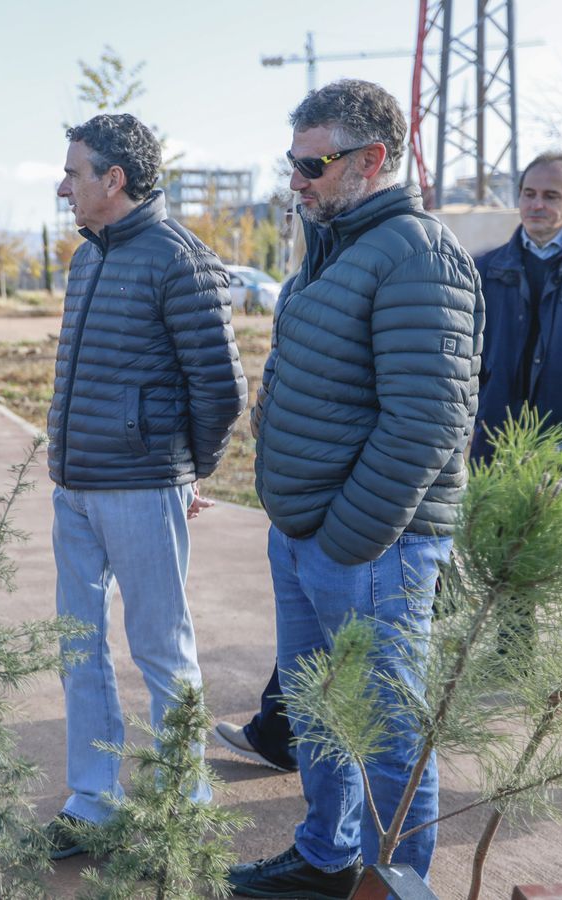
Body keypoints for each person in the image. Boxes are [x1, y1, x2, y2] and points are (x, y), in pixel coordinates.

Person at [229, 79, 483, 899]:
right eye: (291, 163)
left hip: (371, 547)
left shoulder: (415, 253)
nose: (295, 181)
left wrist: (345, 538)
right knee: (319, 716)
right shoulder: (332, 249)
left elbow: (424, 421)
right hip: (308, 537)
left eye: (312, 164)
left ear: (371, 160)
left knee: (384, 734)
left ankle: (395, 883)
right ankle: (327, 858)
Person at [42, 113, 247, 859]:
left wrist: (187, 469)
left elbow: (222, 390)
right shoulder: (84, 259)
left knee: (161, 647)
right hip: (75, 485)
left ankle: (184, 805)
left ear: (113, 179)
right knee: (78, 646)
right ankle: (93, 798)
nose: (62, 185)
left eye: (74, 172)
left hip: (139, 486)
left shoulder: (179, 259)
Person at [473, 151, 562, 457]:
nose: (537, 205)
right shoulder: (484, 268)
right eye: (529, 194)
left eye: (551, 196)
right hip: (494, 440)